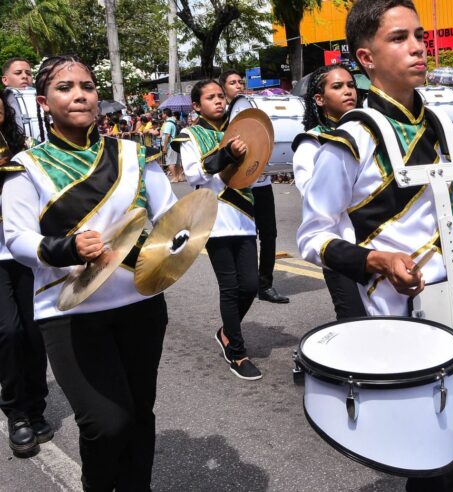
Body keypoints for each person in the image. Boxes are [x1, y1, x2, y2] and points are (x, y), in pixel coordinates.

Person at [298, 1, 453, 489]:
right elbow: (312, 236)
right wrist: (375, 260)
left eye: (420, 36)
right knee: (430, 454)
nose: (417, 47)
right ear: (366, 58)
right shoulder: (351, 139)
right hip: (398, 316)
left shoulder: (440, 125)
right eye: (399, 38)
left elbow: (440, 215)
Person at [2, 54, 177, 490]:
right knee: (106, 423)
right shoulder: (28, 167)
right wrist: (66, 247)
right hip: (69, 312)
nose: (79, 94)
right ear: (44, 101)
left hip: (140, 302)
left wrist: (169, 247)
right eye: (65, 88)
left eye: (87, 85)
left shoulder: (136, 155)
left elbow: (174, 217)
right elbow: (17, 239)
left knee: (140, 413)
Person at [171, 80, 263, 380]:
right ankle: (237, 351)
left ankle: (226, 331)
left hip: (244, 216)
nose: (219, 101)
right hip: (214, 218)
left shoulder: (240, 128)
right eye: (210, 98)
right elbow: (196, 174)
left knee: (251, 285)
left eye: (221, 96)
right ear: (197, 106)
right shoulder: (189, 134)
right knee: (231, 287)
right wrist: (227, 155)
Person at [292, 63, 365, 319]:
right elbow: (315, 199)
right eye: (338, 86)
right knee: (354, 319)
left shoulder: (369, 132)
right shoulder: (311, 143)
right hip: (340, 244)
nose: (348, 91)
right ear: (319, 99)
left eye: (351, 85)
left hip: (379, 241)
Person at [0, 89, 50, 458]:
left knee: (35, 330)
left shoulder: (19, 148)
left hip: (25, 250)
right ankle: (16, 411)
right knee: (9, 330)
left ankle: (36, 406)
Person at [220, 69, 289, 304]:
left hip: (262, 182)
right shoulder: (220, 118)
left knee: (269, 234)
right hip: (238, 186)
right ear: (223, 88)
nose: (238, 85)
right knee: (243, 236)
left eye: (241, 81)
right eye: (232, 82)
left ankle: (265, 285)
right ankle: (243, 281)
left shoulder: (255, 110)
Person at [161, 108, 183, 182]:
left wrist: (164, 147)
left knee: (170, 162)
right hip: (176, 144)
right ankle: (179, 176)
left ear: (165, 114)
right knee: (176, 162)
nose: (162, 115)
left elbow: (167, 135)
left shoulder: (168, 124)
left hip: (170, 145)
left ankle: (175, 177)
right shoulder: (174, 122)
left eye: (163, 113)